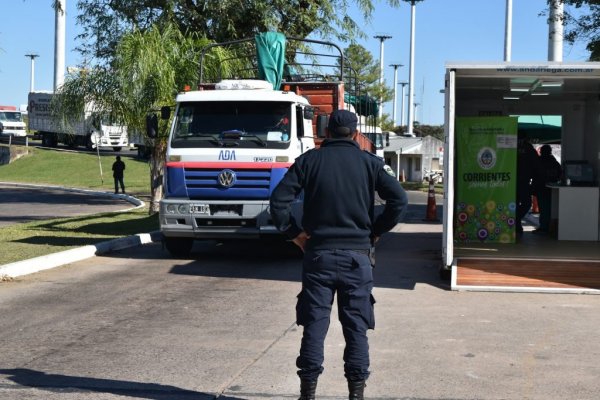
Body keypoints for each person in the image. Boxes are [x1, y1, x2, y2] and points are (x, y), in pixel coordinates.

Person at [269, 109, 408, 400]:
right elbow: (399, 199)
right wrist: (376, 230)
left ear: (327, 132)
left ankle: (307, 395)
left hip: (318, 256)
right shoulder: (370, 164)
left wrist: (295, 234)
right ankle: (355, 395)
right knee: (356, 327)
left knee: (314, 326)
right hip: (357, 258)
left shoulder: (309, 161)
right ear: (355, 133)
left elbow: (278, 202)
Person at [532, 144, 561, 233]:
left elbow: (534, 173)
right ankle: (548, 226)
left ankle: (544, 227)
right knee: (548, 207)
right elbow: (559, 173)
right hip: (551, 188)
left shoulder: (539, 161)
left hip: (541, 187)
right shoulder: (554, 161)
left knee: (543, 208)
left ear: (541, 151)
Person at [515, 139, 539, 234]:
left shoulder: (510, 145)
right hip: (524, 180)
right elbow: (536, 164)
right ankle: (516, 222)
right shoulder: (528, 148)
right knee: (526, 203)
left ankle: (515, 222)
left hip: (512, 180)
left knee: (516, 203)